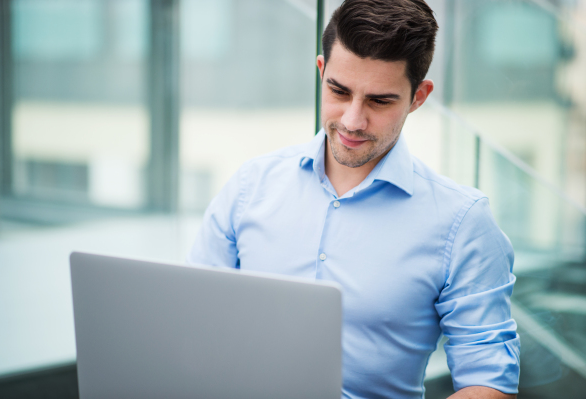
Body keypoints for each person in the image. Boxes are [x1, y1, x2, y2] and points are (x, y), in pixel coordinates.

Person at [189, 0, 520, 397]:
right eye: (339, 91)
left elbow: (489, 380)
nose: (352, 121)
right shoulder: (250, 187)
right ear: (321, 71)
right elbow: (191, 321)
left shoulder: (462, 222)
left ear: (418, 97)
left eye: (379, 100)